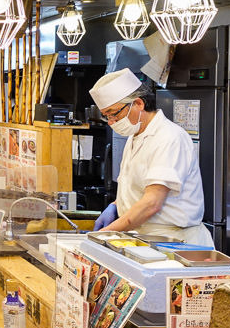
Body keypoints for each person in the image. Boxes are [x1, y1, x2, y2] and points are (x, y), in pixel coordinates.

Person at [88, 68, 214, 246]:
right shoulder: (135, 136)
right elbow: (137, 189)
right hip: (145, 238)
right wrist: (116, 205)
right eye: (106, 116)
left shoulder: (168, 137)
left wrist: (105, 234)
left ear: (139, 103)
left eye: (114, 114)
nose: (110, 122)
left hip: (174, 242)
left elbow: (152, 203)